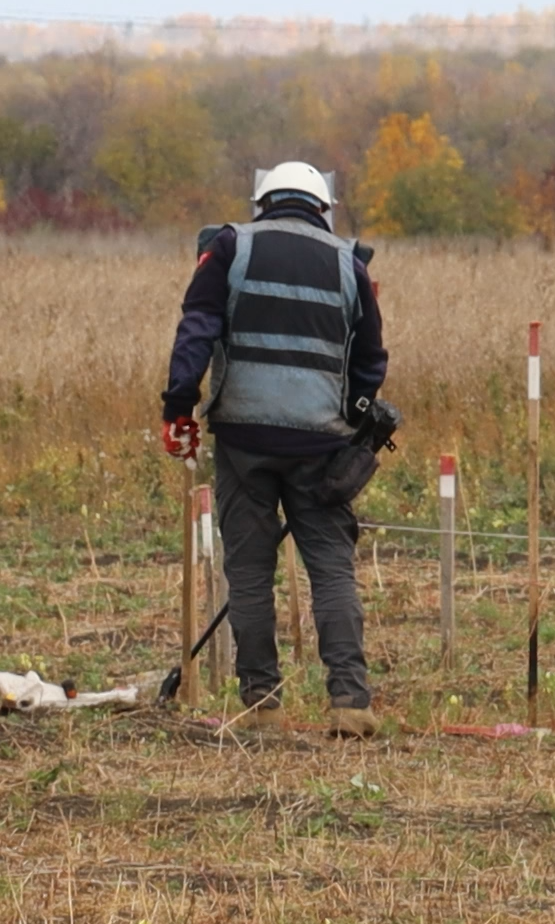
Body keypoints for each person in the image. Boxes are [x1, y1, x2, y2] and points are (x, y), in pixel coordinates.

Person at [159, 161, 389, 738]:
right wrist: (354, 414)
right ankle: (351, 706)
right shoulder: (349, 263)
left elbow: (197, 329)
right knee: (332, 572)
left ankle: (262, 708)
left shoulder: (231, 248)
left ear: (263, 201)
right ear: (323, 206)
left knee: (250, 574)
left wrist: (178, 407)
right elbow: (370, 361)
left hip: (243, 439)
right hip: (322, 444)